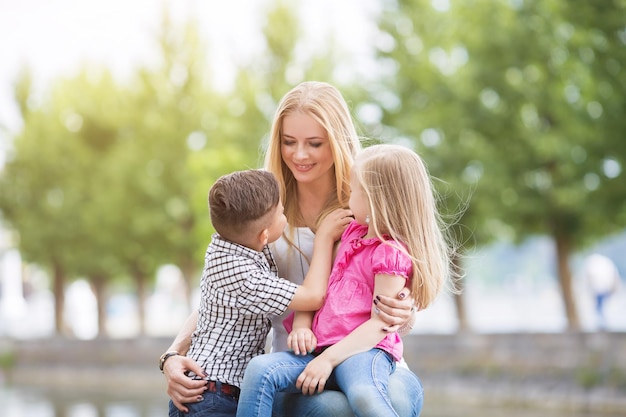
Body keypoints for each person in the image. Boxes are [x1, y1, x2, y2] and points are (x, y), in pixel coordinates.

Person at [162, 81, 423, 416]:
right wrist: (172, 355)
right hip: (297, 365)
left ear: (337, 141)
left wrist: (406, 312)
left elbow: (397, 301)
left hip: (369, 359)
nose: (299, 155)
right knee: (330, 407)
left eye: (314, 143)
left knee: (395, 399)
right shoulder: (265, 210)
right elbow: (228, 290)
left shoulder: (366, 205)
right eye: (289, 142)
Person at [236, 144, 452, 417]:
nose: (349, 194)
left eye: (355, 189)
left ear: (375, 200)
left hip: (361, 353)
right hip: (317, 351)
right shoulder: (348, 235)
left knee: (365, 395)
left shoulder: (390, 255)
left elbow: (380, 325)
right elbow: (315, 291)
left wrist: (328, 360)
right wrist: (302, 326)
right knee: (259, 370)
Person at [168, 168, 352, 416]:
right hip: (212, 397)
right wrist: (324, 239)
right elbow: (312, 297)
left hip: (213, 391)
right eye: (281, 212)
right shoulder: (241, 274)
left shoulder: (232, 245)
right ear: (264, 235)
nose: (285, 212)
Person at [583, 253, 620, 330]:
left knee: (600, 307)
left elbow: (588, 278)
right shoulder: (606, 263)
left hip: (600, 289)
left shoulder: (593, 264)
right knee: (601, 307)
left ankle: (602, 323)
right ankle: (602, 323)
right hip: (603, 288)